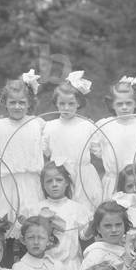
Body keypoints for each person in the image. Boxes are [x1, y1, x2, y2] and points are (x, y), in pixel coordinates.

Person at [0, 74, 46, 220]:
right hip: (4, 184)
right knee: (3, 221)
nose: (17, 106)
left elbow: (48, 144)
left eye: (22, 102)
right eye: (12, 102)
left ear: (29, 103)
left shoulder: (37, 124)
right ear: (5, 103)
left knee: (30, 222)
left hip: (30, 183)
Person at [25, 162, 91, 270]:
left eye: (59, 180)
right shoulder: (35, 208)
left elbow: (84, 236)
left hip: (71, 265)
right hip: (46, 266)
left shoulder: (77, 208)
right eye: (49, 181)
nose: (54, 184)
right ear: (43, 184)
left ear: (66, 182)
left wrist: (91, 225)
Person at [40, 72, 103, 211]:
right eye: (62, 103)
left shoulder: (87, 126)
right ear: (56, 103)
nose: (66, 108)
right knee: (62, 210)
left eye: (71, 103)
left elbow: (99, 151)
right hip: (59, 176)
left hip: (84, 176)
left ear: (78, 103)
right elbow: (46, 151)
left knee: (86, 209)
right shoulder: (50, 127)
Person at [76, 201, 136, 270]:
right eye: (107, 226)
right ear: (98, 228)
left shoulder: (124, 251)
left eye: (118, 225)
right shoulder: (96, 255)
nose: (114, 230)